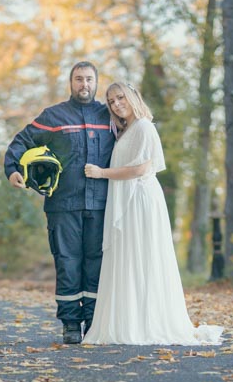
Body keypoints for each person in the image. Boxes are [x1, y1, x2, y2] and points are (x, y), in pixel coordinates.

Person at [82, 82, 223, 346]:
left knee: (141, 258)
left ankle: (146, 325)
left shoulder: (144, 127)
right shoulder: (126, 130)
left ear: (133, 97)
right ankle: (127, 322)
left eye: (120, 97)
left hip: (139, 200)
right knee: (129, 259)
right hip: (128, 198)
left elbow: (139, 169)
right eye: (111, 101)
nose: (116, 104)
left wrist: (101, 173)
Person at [4, 61, 115, 344]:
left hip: (101, 204)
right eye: (79, 79)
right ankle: (70, 323)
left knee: (96, 264)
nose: (84, 84)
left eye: (89, 79)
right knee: (67, 263)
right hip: (62, 205)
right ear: (71, 82)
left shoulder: (108, 115)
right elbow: (21, 142)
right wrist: (13, 169)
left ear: (97, 82)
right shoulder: (54, 116)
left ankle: (92, 322)